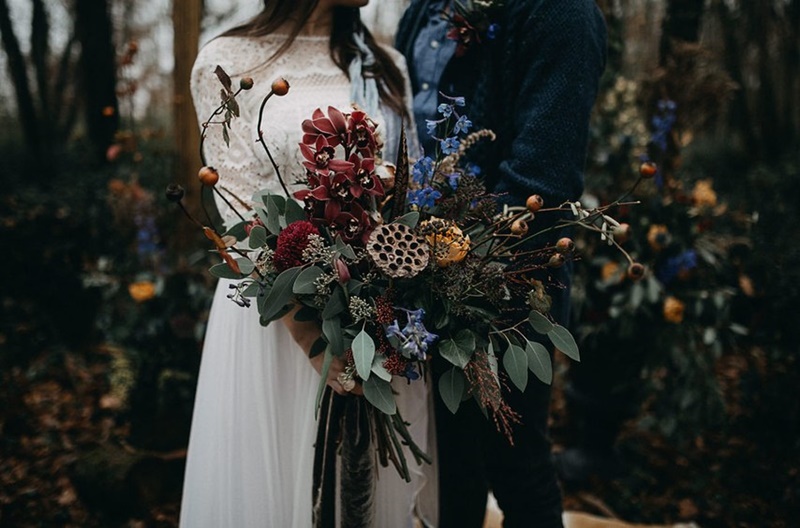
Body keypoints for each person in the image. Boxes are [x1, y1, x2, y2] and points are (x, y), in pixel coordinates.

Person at [180, 1, 433, 526]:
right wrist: (313, 340)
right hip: (277, 324)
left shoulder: (386, 64)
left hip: (380, 321)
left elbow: (410, 189)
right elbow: (237, 213)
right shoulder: (227, 61)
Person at [396, 1, 607, 527]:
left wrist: (453, 264)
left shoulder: (561, 14)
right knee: (447, 470)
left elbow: (542, 185)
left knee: (516, 463)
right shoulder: (423, 9)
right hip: (410, 282)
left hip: (508, 287)